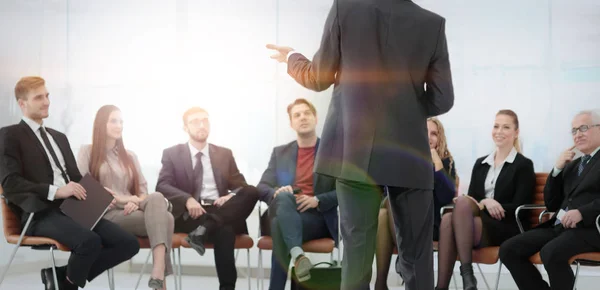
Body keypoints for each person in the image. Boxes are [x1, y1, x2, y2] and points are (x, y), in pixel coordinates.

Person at [266, 0, 454, 288]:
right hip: (410, 155)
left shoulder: (345, 8)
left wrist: (292, 56)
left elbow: (318, 78)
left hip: (355, 153)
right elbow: (443, 99)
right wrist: (406, 112)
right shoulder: (432, 23)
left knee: (357, 255)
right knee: (417, 257)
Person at [0, 77, 139, 290]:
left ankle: (62, 278)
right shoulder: (10, 135)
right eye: (39, 97)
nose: (46, 101)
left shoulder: (59, 137)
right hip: (41, 212)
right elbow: (11, 182)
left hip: (75, 209)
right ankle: (66, 282)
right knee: (89, 241)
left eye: (47, 96)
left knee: (128, 243)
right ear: (22, 104)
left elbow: (75, 178)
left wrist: (98, 193)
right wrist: (56, 192)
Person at [156, 107, 259, 290]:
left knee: (252, 191)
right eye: (195, 121)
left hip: (221, 209)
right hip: (192, 215)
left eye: (205, 120)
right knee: (225, 229)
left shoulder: (224, 154)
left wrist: (230, 196)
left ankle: (206, 228)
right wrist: (187, 199)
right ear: (185, 127)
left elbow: (240, 186)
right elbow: (162, 186)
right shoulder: (172, 153)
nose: (202, 125)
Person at [499, 110, 600, 290]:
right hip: (560, 226)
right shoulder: (574, 165)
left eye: (583, 128)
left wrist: (582, 213)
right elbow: (552, 203)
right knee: (508, 250)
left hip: (592, 228)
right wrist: (557, 169)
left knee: (551, 252)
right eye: (574, 130)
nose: (578, 134)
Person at [435, 110, 535, 290]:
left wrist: (488, 205)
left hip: (507, 225)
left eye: (506, 127)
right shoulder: (481, 163)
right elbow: (473, 199)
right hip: (477, 222)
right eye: (496, 126)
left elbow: (520, 206)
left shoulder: (523, 165)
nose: (499, 131)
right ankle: (461, 281)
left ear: (516, 132)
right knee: (451, 216)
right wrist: (486, 202)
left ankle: (463, 277)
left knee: (453, 216)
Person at [77, 105, 174, 290]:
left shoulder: (130, 156)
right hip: (106, 215)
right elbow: (82, 187)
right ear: (100, 124)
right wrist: (124, 200)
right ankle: (160, 279)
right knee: (166, 218)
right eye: (114, 120)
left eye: (121, 121)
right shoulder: (87, 151)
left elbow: (143, 192)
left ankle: (158, 272)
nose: (119, 125)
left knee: (157, 199)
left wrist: (136, 203)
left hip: (133, 212)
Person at [257, 98, 338, 288]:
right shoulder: (280, 152)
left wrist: (317, 200)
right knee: (284, 196)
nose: (302, 118)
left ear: (316, 118)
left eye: (307, 113)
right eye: (297, 115)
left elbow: (344, 190)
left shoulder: (332, 153)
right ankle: (299, 256)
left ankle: (295, 259)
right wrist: (277, 191)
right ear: (291, 123)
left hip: (316, 219)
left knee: (279, 225)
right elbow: (261, 187)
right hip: (287, 210)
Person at [374, 117, 457, 290]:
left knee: (390, 212)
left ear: (439, 138)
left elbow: (447, 195)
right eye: (424, 132)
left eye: (433, 133)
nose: (428, 137)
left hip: (430, 223)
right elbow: (383, 191)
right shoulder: (404, 161)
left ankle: (404, 261)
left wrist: (436, 163)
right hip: (401, 221)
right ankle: (380, 283)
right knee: (383, 213)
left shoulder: (446, 162)